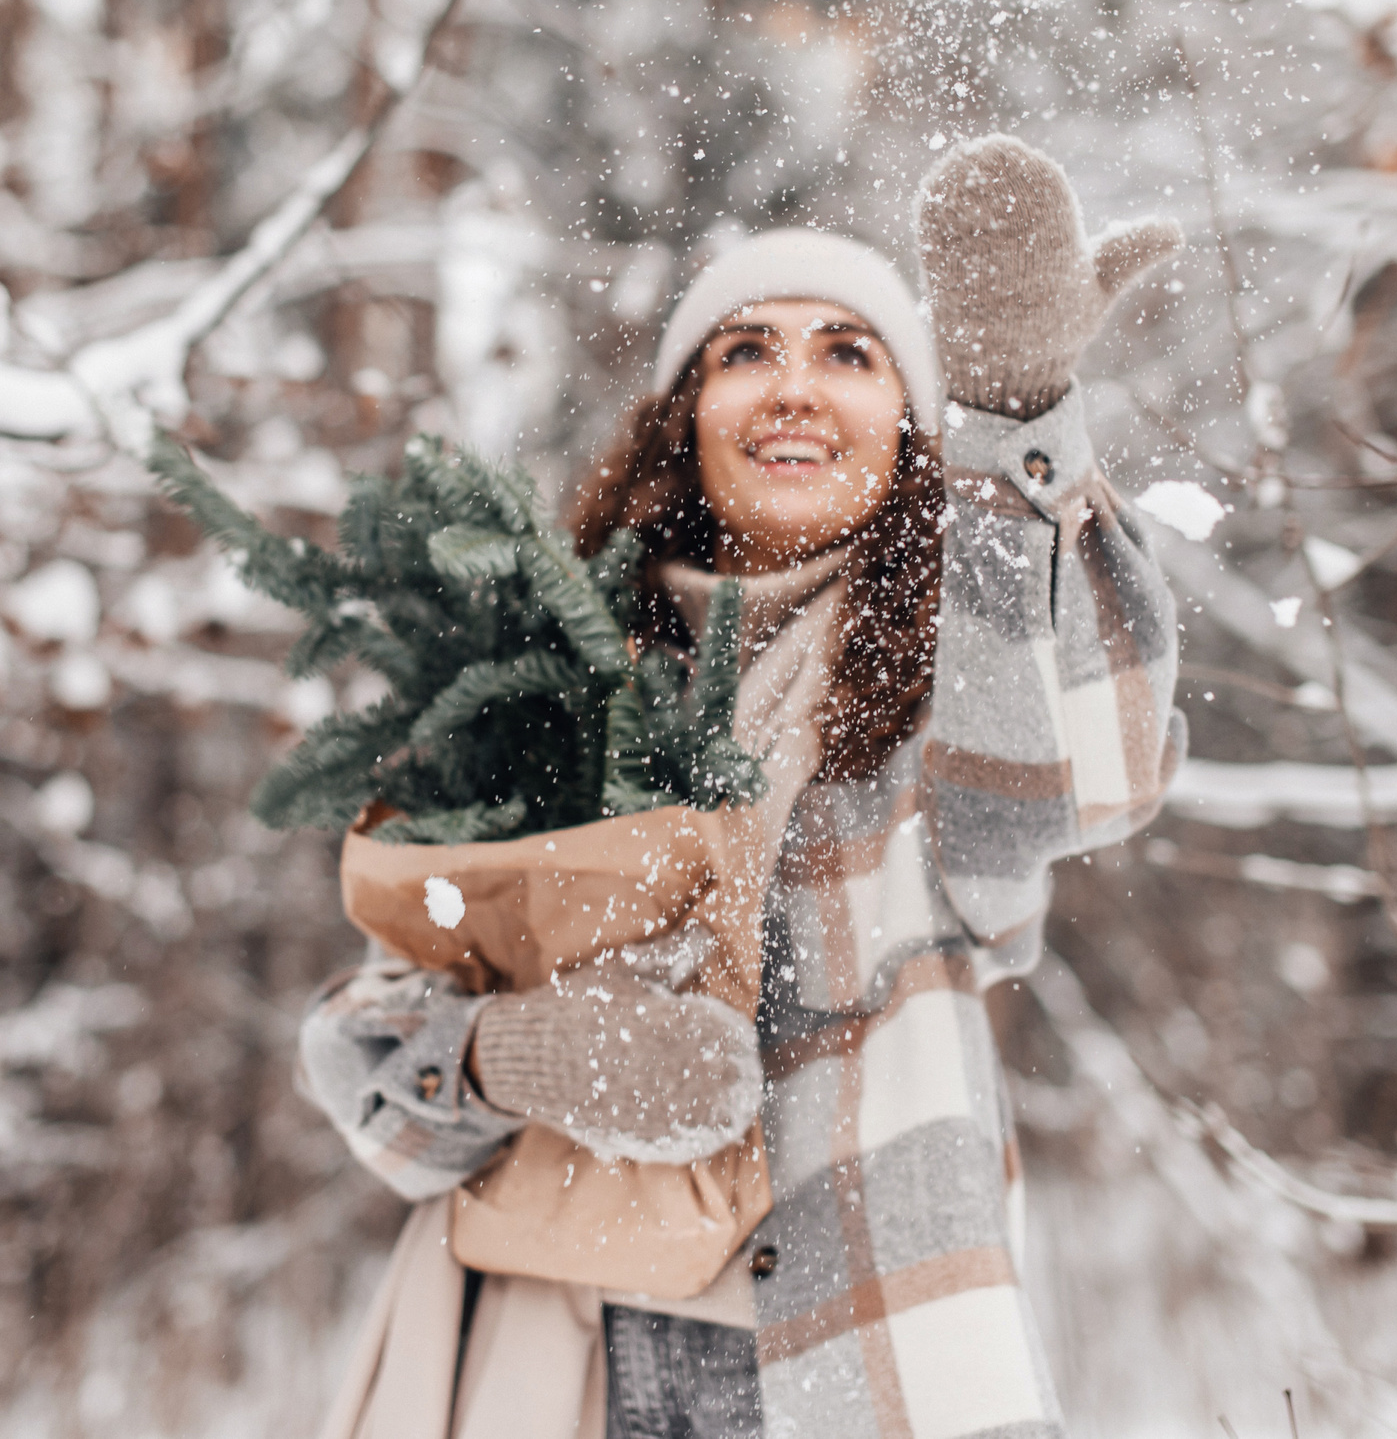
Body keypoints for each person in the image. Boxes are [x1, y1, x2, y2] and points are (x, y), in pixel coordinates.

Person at [300, 135, 1187, 1439]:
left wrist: (1017, 436)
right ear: (684, 416)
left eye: (850, 353)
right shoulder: (539, 687)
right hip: (553, 1350)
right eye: (746, 350)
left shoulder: (951, 679)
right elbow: (369, 1029)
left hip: (869, 1356)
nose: (794, 388)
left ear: (909, 426)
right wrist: (510, 1054)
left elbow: (1083, 768)